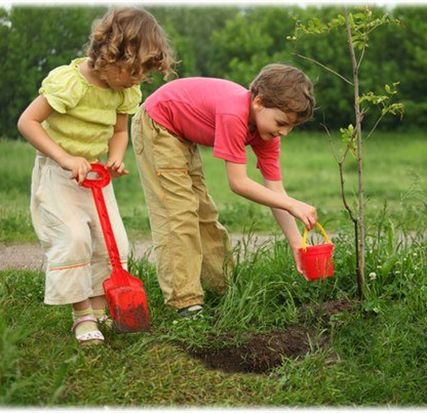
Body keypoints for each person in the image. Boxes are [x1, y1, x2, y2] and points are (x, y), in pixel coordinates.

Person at [17, 7, 174, 346]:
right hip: (59, 173)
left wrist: (116, 157)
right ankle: (82, 314)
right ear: (108, 54)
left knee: (113, 243)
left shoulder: (123, 91)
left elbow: (119, 131)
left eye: (142, 75)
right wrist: (64, 158)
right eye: (132, 71)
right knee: (74, 238)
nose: (136, 80)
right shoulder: (70, 83)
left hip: (95, 175)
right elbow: (27, 122)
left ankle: (102, 308)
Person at [131, 63, 318, 317]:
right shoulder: (234, 114)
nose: (284, 132)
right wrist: (292, 204)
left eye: (291, 127)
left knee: (204, 213)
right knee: (180, 213)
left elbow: (276, 192)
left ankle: (222, 288)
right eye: (282, 123)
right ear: (259, 102)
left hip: (182, 136)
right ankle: (185, 301)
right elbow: (238, 183)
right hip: (158, 125)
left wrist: (298, 245)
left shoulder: (267, 134)